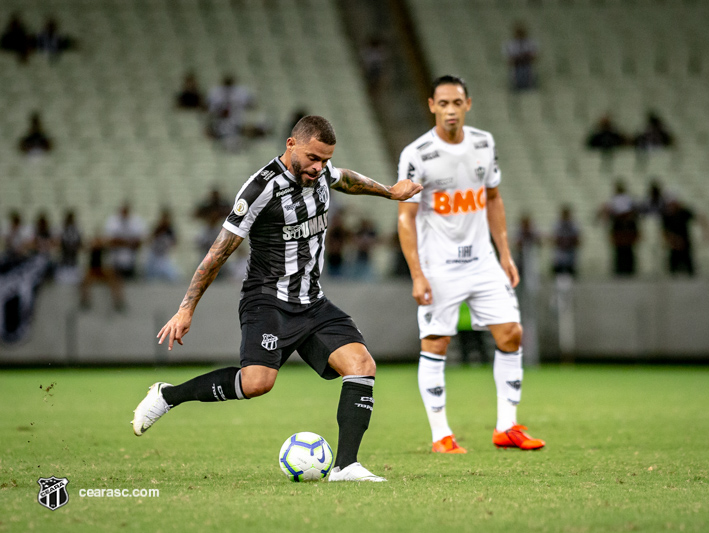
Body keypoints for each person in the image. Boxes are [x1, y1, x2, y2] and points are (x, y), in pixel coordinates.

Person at [132, 115, 422, 483]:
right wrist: (185, 309)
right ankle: (169, 396)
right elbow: (217, 253)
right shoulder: (259, 190)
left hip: (312, 301)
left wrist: (389, 191)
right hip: (268, 301)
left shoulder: (323, 171)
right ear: (290, 145)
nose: (319, 167)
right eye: (313, 158)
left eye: (325, 159)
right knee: (257, 384)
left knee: (362, 365)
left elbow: (346, 178)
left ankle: (346, 466)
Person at [397, 75, 545, 454]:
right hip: (439, 267)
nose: (450, 110)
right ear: (431, 105)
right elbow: (405, 218)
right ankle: (440, 435)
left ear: (468, 104)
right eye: (443, 103)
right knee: (436, 342)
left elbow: (493, 199)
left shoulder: (483, 143)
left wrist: (506, 255)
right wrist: (416, 274)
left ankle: (506, 427)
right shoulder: (416, 154)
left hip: (483, 262)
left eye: (456, 103)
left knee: (511, 334)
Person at [597, 181, 640, 276]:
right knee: (623, 252)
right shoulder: (625, 199)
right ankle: (625, 270)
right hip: (622, 225)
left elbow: (607, 211)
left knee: (624, 252)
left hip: (622, 225)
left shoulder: (621, 199)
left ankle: (624, 270)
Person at [660, 198, 709, 276]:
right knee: (673, 269)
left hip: (685, 244)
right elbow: (665, 232)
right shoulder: (667, 216)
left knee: (689, 267)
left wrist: (706, 231)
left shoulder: (683, 212)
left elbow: (699, 217)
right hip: (674, 245)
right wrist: (674, 241)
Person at [104, 203, 146, 279]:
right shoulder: (113, 221)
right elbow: (110, 241)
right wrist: (129, 243)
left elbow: (140, 242)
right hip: (115, 259)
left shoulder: (136, 221)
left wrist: (120, 241)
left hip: (131, 259)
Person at [145, 209, 180, 282]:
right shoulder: (156, 229)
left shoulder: (170, 231)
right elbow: (149, 241)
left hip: (164, 257)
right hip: (154, 256)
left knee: (173, 276)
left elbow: (175, 243)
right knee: (151, 278)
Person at [503, 24, 538, 91]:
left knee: (529, 86)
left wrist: (525, 56)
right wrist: (518, 58)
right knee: (516, 86)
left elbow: (534, 56)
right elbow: (509, 59)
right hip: (516, 67)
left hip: (527, 67)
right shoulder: (511, 44)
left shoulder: (530, 43)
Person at [551, 205, 581, 277]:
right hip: (560, 249)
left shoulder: (573, 224)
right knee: (559, 267)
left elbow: (577, 237)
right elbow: (555, 237)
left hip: (570, 249)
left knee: (570, 268)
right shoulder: (557, 224)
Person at [55, 210, 83, 284]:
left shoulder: (77, 229)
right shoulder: (61, 229)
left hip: (73, 262)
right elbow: (57, 244)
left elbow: (81, 244)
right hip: (64, 261)